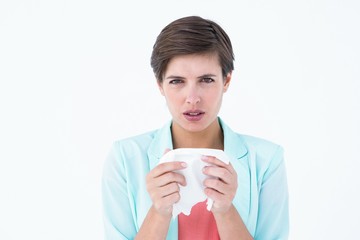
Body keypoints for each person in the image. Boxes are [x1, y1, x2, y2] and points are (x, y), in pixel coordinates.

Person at [102, 15, 289, 240]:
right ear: (160, 84)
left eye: (207, 80)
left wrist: (226, 210)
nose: (192, 98)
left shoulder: (267, 160)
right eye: (177, 81)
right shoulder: (125, 158)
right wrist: (159, 212)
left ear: (226, 81)